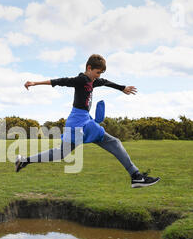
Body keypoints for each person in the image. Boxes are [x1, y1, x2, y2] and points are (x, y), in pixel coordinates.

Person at [15, 54, 160, 188]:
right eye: (97, 72)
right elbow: (60, 81)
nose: (98, 76)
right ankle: (136, 176)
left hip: (80, 120)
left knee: (61, 153)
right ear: (89, 68)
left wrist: (122, 88)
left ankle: (24, 160)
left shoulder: (93, 80)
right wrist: (35, 83)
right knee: (113, 142)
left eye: (100, 74)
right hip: (79, 122)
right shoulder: (81, 80)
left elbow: (105, 82)